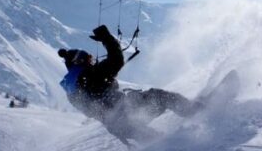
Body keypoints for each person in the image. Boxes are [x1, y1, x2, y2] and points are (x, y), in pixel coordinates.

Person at [59, 25, 202, 144]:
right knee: (161, 97)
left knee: (160, 143)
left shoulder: (72, 90)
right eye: (88, 59)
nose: (92, 61)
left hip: (120, 127)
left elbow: (92, 110)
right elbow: (116, 59)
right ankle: (197, 112)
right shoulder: (91, 75)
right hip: (129, 111)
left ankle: (179, 150)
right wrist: (106, 38)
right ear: (80, 62)